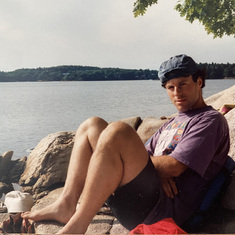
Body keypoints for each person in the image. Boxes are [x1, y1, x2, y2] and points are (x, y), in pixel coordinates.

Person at [21, 54, 230, 234]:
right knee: (91, 125)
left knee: (118, 131)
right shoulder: (173, 123)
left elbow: (174, 167)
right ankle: (66, 204)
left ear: (200, 82)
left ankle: (77, 225)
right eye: (170, 87)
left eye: (183, 84)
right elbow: (145, 159)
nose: (177, 93)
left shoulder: (209, 120)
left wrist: (160, 168)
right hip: (139, 200)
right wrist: (157, 170)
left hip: (162, 210)